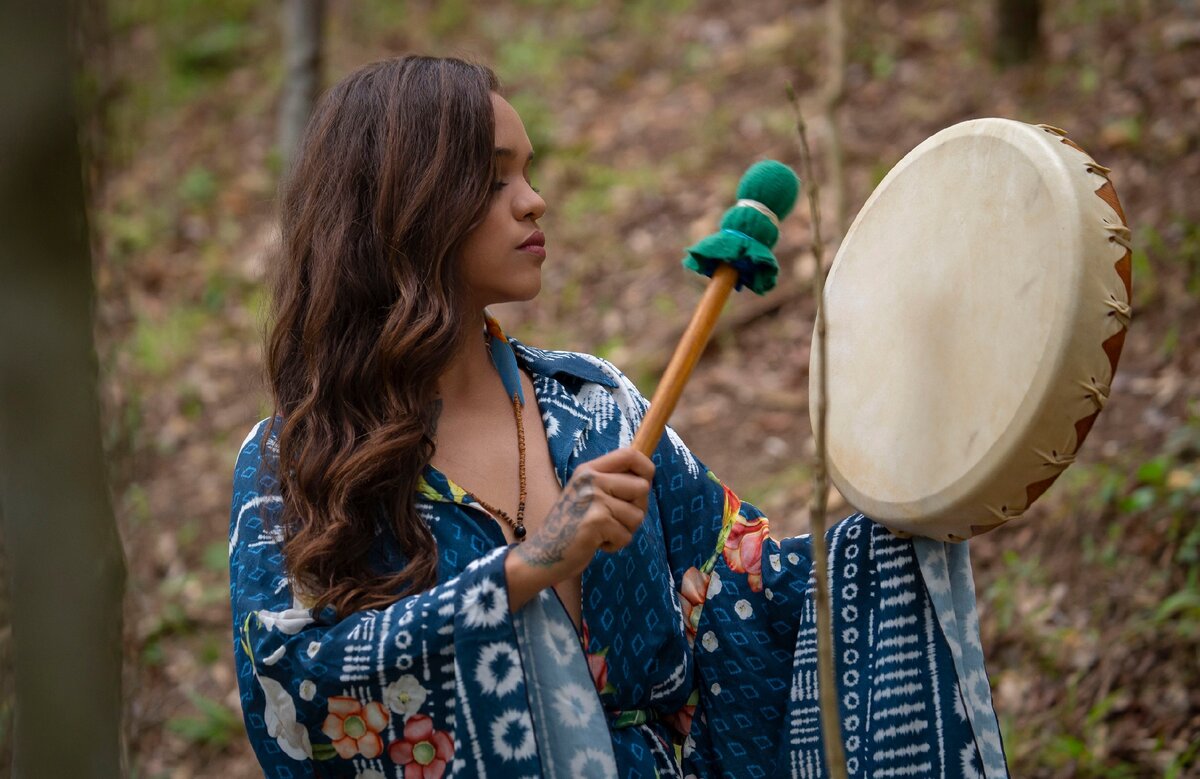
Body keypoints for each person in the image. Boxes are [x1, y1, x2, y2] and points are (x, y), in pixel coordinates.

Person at [229, 55, 1009, 778]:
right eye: (495, 179)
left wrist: (931, 500)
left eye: (527, 171)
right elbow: (294, 693)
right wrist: (526, 567)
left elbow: (746, 586)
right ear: (405, 208)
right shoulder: (292, 460)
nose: (534, 199)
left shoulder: (594, 404)